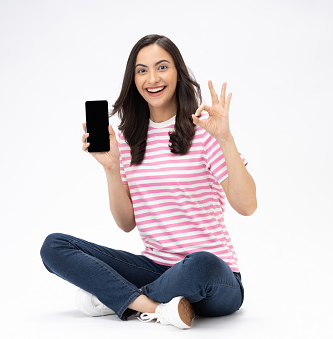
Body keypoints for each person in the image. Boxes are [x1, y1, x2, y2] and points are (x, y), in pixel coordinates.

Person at [40, 34, 257, 329]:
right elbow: (126, 223)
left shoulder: (205, 133)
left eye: (162, 67)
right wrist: (112, 168)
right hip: (154, 269)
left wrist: (226, 139)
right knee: (54, 246)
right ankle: (153, 306)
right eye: (142, 70)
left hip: (214, 279)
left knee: (201, 262)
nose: (152, 78)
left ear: (178, 73)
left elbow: (247, 206)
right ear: (134, 79)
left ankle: (115, 300)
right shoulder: (129, 142)